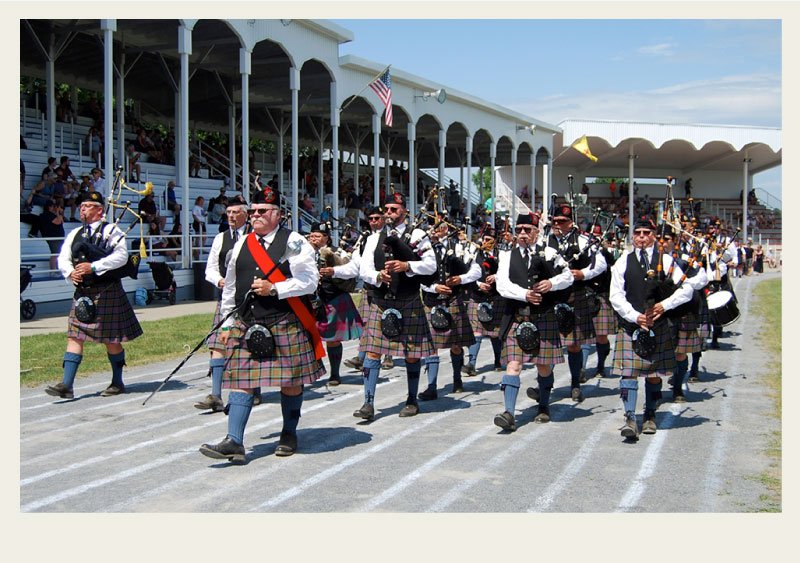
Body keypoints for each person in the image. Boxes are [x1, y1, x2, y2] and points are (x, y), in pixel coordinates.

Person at [199, 187, 326, 462]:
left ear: (277, 214)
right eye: (253, 211)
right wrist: (228, 322)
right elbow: (231, 287)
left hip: (284, 321)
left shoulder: (295, 241)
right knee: (241, 381)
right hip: (247, 323)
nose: (255, 215)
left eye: (262, 211)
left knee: (290, 383)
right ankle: (234, 440)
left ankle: (289, 433)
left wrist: (275, 288)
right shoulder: (241, 244)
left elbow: (310, 281)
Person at [45, 192, 143, 400]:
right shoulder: (75, 233)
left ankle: (117, 382)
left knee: (111, 340)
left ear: (100, 210)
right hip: (82, 292)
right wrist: (70, 272)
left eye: (88, 206)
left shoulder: (112, 231)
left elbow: (121, 257)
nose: (83, 209)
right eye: (82, 206)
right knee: (74, 335)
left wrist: (94, 266)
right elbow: (63, 256)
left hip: (106, 290)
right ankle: (66, 385)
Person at [609, 217, 694, 439]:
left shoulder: (666, 261)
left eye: (647, 233)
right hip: (631, 324)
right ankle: (630, 417)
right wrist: (635, 316)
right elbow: (615, 296)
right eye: (638, 233)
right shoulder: (622, 262)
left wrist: (664, 305)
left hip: (659, 324)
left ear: (654, 236)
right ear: (633, 236)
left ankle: (649, 414)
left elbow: (687, 289)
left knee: (654, 375)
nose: (642, 237)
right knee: (628, 373)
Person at [355, 192, 437, 421]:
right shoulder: (373, 238)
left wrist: (407, 265)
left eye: (394, 209)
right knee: (372, 351)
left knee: (411, 354)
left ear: (404, 211)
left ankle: (412, 400)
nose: (390, 213)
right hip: (381, 301)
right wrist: (378, 276)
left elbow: (430, 266)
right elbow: (364, 270)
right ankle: (368, 402)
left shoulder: (418, 235)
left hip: (409, 300)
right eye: (387, 209)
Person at [493, 213, 573, 430]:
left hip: (543, 316)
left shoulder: (549, 253)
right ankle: (509, 413)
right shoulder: (507, 256)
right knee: (513, 364)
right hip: (518, 317)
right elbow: (502, 285)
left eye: (527, 230)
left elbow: (568, 277)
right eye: (519, 229)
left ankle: (544, 406)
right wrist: (525, 294)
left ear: (537, 232)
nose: (522, 234)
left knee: (543, 365)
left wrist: (551, 283)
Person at [197, 196, 252, 413]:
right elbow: (210, 268)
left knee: (249, 345)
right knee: (218, 344)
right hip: (227, 299)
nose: (231, 216)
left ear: (246, 215)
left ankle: (251, 389)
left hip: (250, 301)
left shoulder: (254, 238)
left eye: (235, 212)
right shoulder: (220, 238)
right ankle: (216, 395)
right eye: (228, 212)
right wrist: (218, 280)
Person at [547, 203, 607, 403]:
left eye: (562, 221)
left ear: (571, 222)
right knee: (549, 344)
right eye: (555, 221)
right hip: (550, 297)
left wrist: (584, 274)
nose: (557, 225)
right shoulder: (545, 241)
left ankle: (574, 384)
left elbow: (600, 264)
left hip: (575, 295)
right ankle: (545, 386)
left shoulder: (583, 240)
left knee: (573, 344)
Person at [417, 221, 479, 400]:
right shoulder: (421, 250)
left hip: (452, 300)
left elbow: (476, 270)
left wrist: (461, 278)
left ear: (446, 230)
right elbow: (415, 276)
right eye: (432, 229)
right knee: (431, 346)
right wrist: (434, 288)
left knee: (456, 344)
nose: (434, 232)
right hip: (431, 300)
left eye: (438, 228)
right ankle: (431, 386)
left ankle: (457, 379)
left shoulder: (460, 247)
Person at [308, 221, 364, 386]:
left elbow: (348, 274)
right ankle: (315, 370)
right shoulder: (304, 252)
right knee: (310, 339)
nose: (313, 239)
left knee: (333, 339)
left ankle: (334, 374)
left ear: (326, 238)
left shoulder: (337, 252)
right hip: (311, 301)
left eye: (317, 236)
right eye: (312, 236)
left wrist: (332, 261)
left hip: (333, 299)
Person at [464, 227, 505, 374]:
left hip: (496, 297)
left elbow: (508, 274)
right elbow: (466, 274)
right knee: (476, 331)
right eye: (484, 239)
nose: (485, 242)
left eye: (489, 240)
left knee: (495, 333)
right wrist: (478, 284)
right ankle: (471, 363)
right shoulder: (474, 254)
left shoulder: (502, 255)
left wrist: (497, 277)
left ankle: (498, 360)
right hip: (477, 296)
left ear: (495, 241)